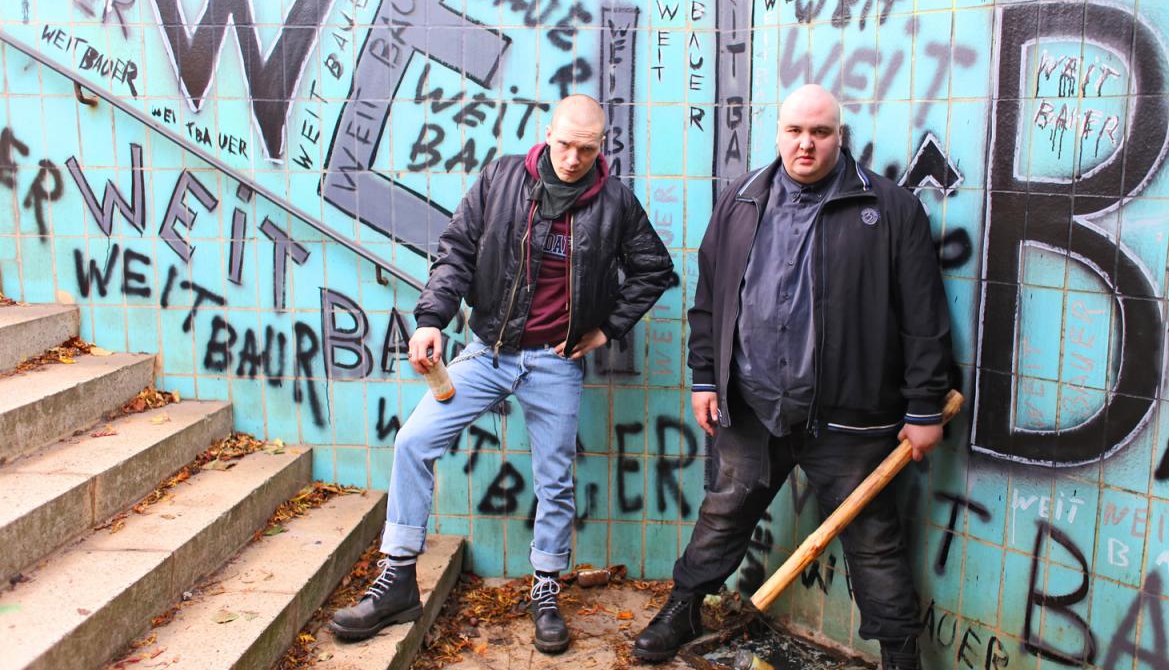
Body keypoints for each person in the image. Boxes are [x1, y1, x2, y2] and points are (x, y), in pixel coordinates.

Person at [331, 95, 676, 653]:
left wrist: (606, 330)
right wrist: (430, 321)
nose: (572, 157)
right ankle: (396, 580)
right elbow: (458, 251)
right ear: (547, 133)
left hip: (555, 363)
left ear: (601, 147)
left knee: (555, 479)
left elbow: (654, 269)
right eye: (564, 143)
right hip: (486, 352)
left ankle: (545, 590)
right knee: (414, 441)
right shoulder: (502, 177)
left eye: (586, 149)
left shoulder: (614, 202)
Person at [633, 85, 953, 670]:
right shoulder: (741, 201)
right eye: (794, 131)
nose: (805, 144)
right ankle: (683, 607)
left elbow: (924, 318)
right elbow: (711, 300)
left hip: (850, 419)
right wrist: (706, 377)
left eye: (820, 132)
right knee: (723, 513)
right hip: (754, 408)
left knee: (874, 541)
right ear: (778, 132)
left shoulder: (887, 209)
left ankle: (901, 656)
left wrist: (924, 406)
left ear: (839, 136)